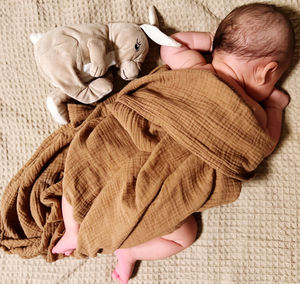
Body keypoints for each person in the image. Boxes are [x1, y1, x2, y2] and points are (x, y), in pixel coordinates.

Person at [51, 3, 294, 284]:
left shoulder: (195, 66)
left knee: (89, 156)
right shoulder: (256, 113)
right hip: (170, 187)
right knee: (184, 235)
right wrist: (275, 108)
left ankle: (73, 227)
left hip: (139, 143)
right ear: (267, 71)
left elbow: (172, 44)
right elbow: (264, 145)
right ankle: (129, 251)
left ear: (216, 45)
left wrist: (207, 40)